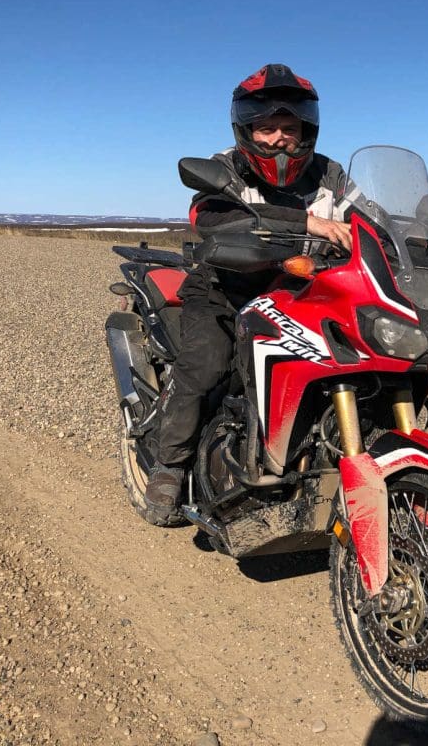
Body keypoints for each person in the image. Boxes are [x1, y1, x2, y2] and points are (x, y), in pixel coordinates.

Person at [137, 63, 356, 525]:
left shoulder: (332, 175)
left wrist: (409, 240)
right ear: (246, 129)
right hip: (224, 289)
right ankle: (169, 465)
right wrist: (305, 223)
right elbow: (212, 221)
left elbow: (368, 218)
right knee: (207, 366)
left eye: (289, 128)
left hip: (304, 293)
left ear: (307, 129)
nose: (279, 139)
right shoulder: (223, 169)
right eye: (267, 128)